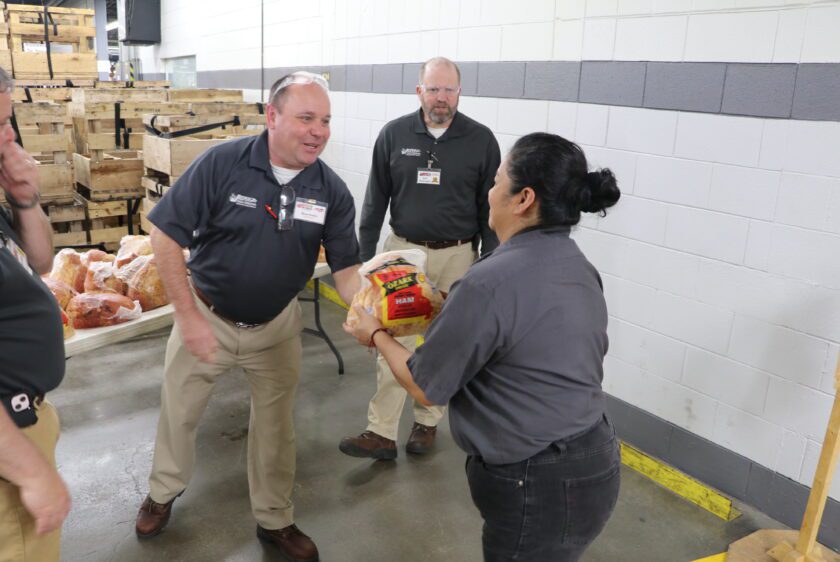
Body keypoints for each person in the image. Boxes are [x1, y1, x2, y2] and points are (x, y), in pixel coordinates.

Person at [344, 132, 622, 561]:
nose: (489, 193)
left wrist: (374, 333)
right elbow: (519, 338)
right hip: (594, 460)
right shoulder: (577, 265)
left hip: (535, 479)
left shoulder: (488, 281)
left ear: (523, 199)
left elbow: (424, 386)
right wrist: (447, 309)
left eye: (496, 181)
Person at [136, 71, 361, 562]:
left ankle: (275, 519)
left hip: (277, 327)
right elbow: (164, 236)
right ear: (272, 116)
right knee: (180, 412)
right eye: (306, 118)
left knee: (277, 428)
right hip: (207, 316)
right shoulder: (222, 163)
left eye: (325, 120)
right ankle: (162, 491)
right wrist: (188, 317)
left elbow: (345, 267)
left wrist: (367, 310)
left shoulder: (330, 190)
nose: (318, 131)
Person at [340, 56, 501, 460]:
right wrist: (365, 262)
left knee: (447, 343)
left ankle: (427, 422)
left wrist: (490, 262)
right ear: (419, 92)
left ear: (459, 92)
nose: (441, 97)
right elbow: (374, 202)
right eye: (433, 89)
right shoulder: (394, 135)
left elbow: (491, 212)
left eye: (448, 89)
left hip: (458, 255)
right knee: (394, 337)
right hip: (402, 254)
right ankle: (380, 431)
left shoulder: (481, 140)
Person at [0, 67, 71, 562]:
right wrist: (31, 473)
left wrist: (24, 198)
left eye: (9, 122)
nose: (9, 137)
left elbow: (41, 260)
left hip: (26, 420)